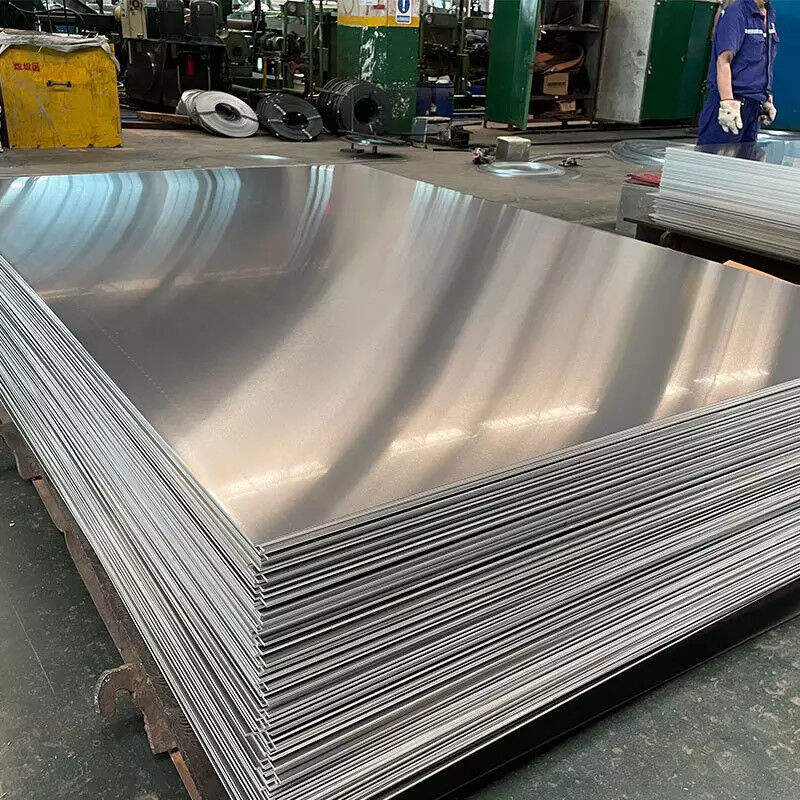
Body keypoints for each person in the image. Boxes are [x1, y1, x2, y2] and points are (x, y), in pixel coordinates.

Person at [697, 0, 778, 147]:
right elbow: (723, 61)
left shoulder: (769, 13)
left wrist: (765, 97)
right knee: (716, 158)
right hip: (730, 104)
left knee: (745, 159)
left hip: (754, 106)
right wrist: (728, 104)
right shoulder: (736, 13)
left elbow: (761, 62)